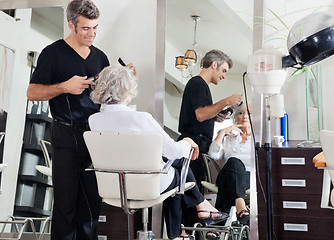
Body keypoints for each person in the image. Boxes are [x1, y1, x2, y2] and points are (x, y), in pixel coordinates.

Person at [26, 1, 135, 239]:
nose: (92, 34)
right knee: (66, 204)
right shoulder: (52, 53)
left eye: (95, 28)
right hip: (65, 134)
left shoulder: (101, 57)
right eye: (86, 28)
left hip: (95, 136)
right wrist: (64, 87)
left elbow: (109, 99)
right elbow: (32, 92)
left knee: (91, 205)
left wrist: (123, 80)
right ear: (71, 25)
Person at [88, 64, 229, 240]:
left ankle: (188, 222)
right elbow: (175, 152)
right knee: (178, 170)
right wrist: (187, 142)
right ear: (127, 90)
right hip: (147, 185)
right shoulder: (141, 119)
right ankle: (196, 211)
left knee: (174, 167)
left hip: (113, 186)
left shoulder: (94, 121)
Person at [177, 49, 243, 194]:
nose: (224, 76)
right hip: (193, 145)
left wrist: (215, 116)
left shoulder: (201, 86)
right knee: (190, 194)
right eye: (223, 71)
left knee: (194, 192)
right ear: (214, 64)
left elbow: (202, 115)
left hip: (197, 145)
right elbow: (200, 115)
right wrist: (226, 101)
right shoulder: (198, 84)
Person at [208, 103, 251, 224]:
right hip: (227, 175)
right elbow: (213, 155)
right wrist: (222, 132)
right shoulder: (228, 138)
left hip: (248, 179)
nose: (245, 116)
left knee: (230, 179)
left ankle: (217, 226)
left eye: (249, 113)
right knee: (233, 162)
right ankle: (240, 206)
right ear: (235, 118)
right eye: (241, 113)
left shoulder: (257, 139)